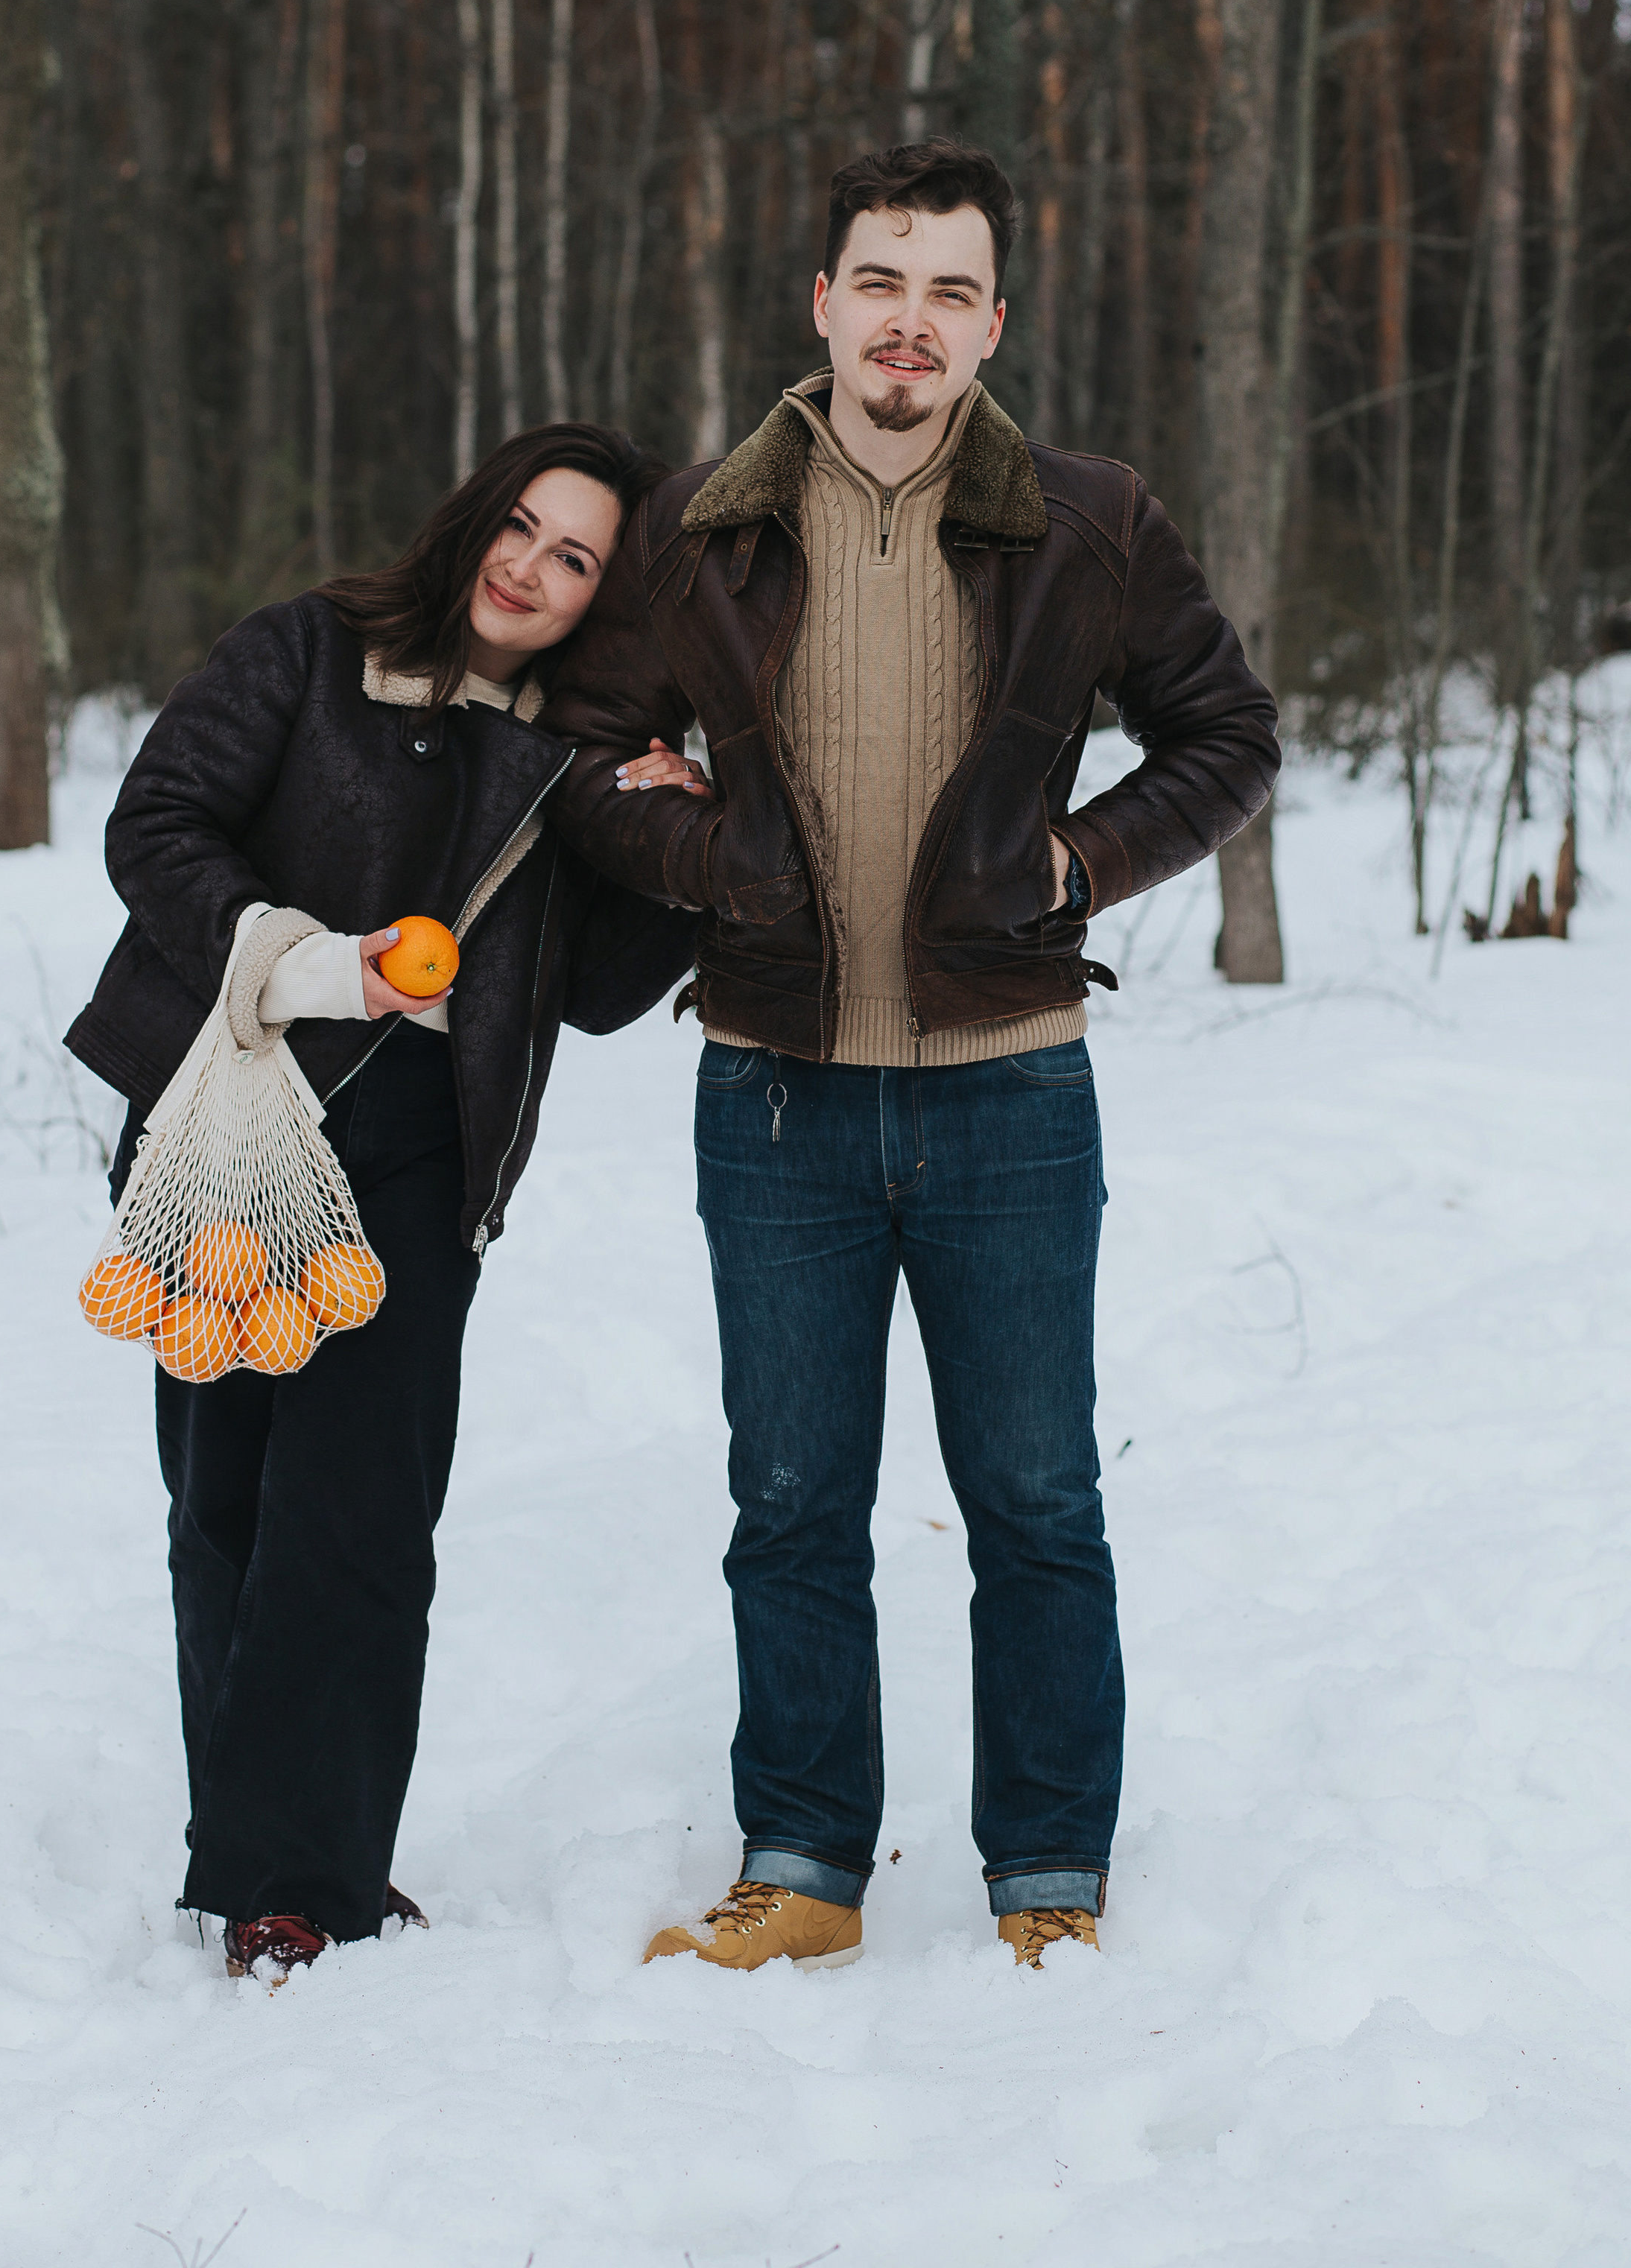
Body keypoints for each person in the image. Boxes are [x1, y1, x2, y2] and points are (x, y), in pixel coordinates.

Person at [541, 141, 1281, 1973]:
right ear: (820, 301)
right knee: (788, 1498)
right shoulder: (699, 531)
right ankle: (801, 1865)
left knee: (1035, 1500)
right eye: (881, 280)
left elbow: (1227, 730)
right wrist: (688, 846)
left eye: (949, 290)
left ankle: (1044, 1878)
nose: (909, 321)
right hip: (771, 1087)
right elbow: (573, 751)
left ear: (991, 324)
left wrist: (1076, 859)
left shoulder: (1087, 518)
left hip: (1010, 1083)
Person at [64, 425, 700, 1980]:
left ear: (598, 603)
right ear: (472, 512)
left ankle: (301, 1876)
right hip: (227, 1120)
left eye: (575, 562)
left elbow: (601, 992)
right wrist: (292, 955)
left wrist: (683, 834)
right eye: (523, 529)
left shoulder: (570, 758)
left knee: (359, 1510)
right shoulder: (304, 650)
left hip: (417, 1156)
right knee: (224, 1497)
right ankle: (262, 1852)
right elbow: (152, 830)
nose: (530, 570)